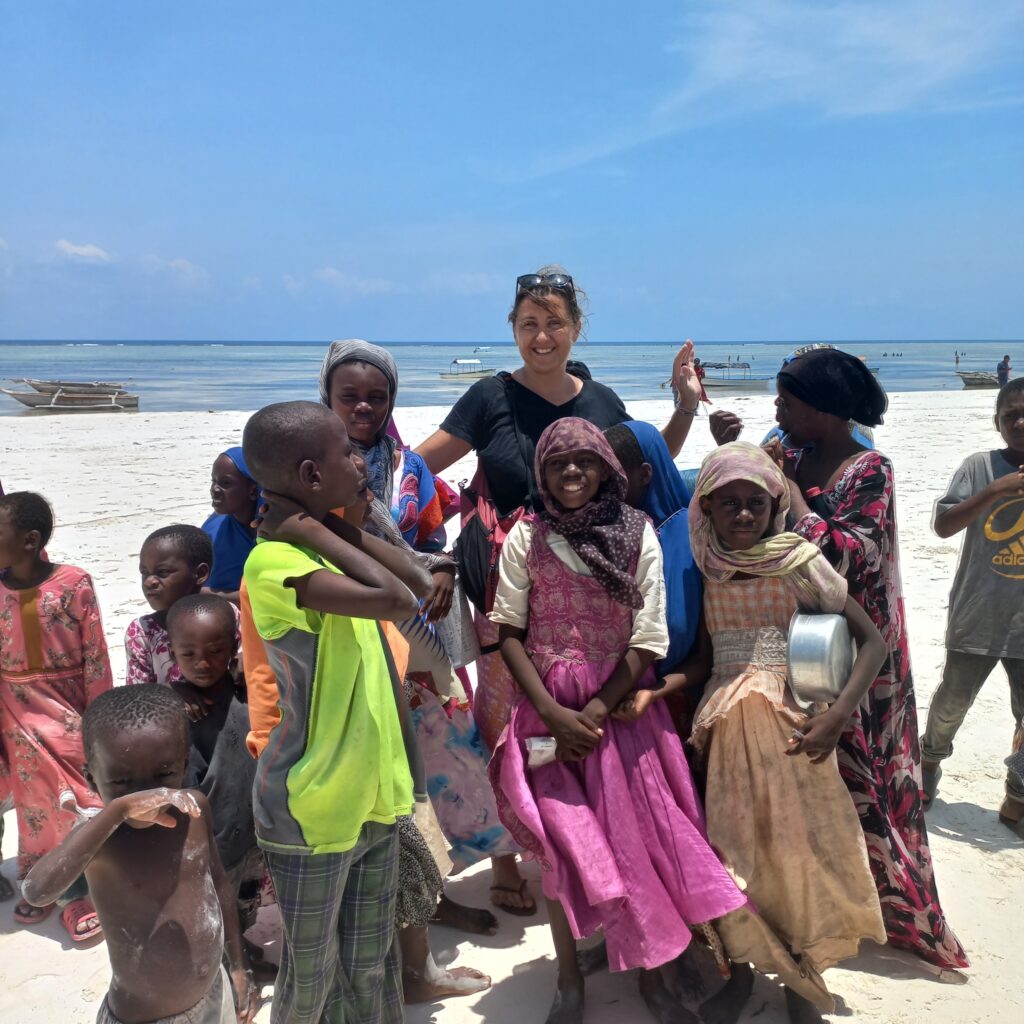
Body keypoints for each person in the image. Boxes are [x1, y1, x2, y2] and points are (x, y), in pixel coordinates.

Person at [488, 419, 748, 1024]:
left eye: (585, 461)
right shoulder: (528, 535)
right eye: (558, 463)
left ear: (607, 468)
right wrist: (554, 712)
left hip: (619, 712)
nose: (571, 472)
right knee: (563, 851)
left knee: (641, 845)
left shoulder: (637, 536)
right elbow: (509, 631)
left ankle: (653, 977)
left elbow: (649, 637)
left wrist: (598, 710)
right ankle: (569, 977)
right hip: (548, 711)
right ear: (542, 474)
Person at [415, 266, 704, 773]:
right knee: (507, 725)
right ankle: (514, 847)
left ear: (575, 328)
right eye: (528, 324)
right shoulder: (490, 397)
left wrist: (684, 405)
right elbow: (417, 471)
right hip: (507, 588)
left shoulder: (600, 400)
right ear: (512, 328)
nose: (541, 337)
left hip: (590, 598)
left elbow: (643, 462)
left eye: (554, 323)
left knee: (588, 729)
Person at [641, 443, 887, 1024]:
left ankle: (803, 983)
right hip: (726, 728)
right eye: (730, 504)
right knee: (737, 855)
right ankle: (745, 970)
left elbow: (872, 643)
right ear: (708, 507)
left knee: (799, 855)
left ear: (775, 505)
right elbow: (703, 657)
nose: (744, 515)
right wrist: (659, 690)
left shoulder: (799, 559)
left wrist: (837, 716)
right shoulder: (706, 563)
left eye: (756, 503)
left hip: (794, 728)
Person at [773, 347, 968, 971]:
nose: (777, 408)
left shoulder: (870, 470)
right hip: (801, 639)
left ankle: (895, 911)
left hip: (865, 650)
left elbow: (845, 558)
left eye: (788, 399)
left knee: (870, 776)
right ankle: (831, 903)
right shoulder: (794, 456)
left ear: (824, 410)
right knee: (815, 778)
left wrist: (789, 493)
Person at [320, 338, 526, 917]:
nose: (363, 408)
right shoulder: (307, 470)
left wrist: (442, 569)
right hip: (349, 627)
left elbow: (434, 541)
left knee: (458, 747)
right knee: (385, 762)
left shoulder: (411, 467)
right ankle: (417, 891)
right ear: (326, 397)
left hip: (421, 632)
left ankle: (500, 861)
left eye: (376, 397)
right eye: (349, 396)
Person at [241, 400, 432, 1024]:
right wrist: (306, 530)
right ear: (310, 473)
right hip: (311, 803)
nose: (360, 460)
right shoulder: (275, 564)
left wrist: (323, 525)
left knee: (370, 962)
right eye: (346, 452)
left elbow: (420, 583)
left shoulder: (321, 546)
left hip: (370, 793)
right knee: (311, 973)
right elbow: (394, 596)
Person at [22, 684, 257, 1024]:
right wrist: (116, 812)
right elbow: (37, 890)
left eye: (163, 775)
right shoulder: (101, 840)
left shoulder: (194, 809)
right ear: (90, 778)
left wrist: (237, 964)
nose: (145, 795)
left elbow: (219, 886)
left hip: (213, 997)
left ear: (184, 763)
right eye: (122, 783)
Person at [0, 491, 110, 941]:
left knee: (79, 798)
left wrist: (101, 722)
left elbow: (97, 659)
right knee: (34, 804)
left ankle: (84, 892)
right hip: (13, 712)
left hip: (67, 711)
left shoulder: (74, 584)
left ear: (29, 541)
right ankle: (41, 880)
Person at [923, 378, 1024, 828]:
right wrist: (993, 492)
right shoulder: (979, 466)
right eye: (1010, 415)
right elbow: (943, 525)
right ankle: (928, 764)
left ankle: (1017, 793)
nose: (1019, 422)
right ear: (997, 422)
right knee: (951, 705)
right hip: (978, 615)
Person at [165, 594, 267, 966]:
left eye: (215, 650)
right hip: (213, 841)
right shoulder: (178, 710)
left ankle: (241, 952)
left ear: (234, 646)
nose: (203, 663)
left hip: (254, 831)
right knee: (215, 909)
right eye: (188, 654)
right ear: (172, 653)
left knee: (245, 898)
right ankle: (227, 966)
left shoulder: (246, 689)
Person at [125, 524, 216, 687]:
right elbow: (137, 699)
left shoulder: (226, 616)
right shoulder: (142, 633)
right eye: (144, 572)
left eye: (163, 572)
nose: (149, 582)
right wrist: (176, 694)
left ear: (200, 574)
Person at [202, 447, 259, 601]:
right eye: (213, 481)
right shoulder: (213, 533)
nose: (214, 489)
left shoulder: (277, 530)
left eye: (225, 483)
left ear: (252, 491)